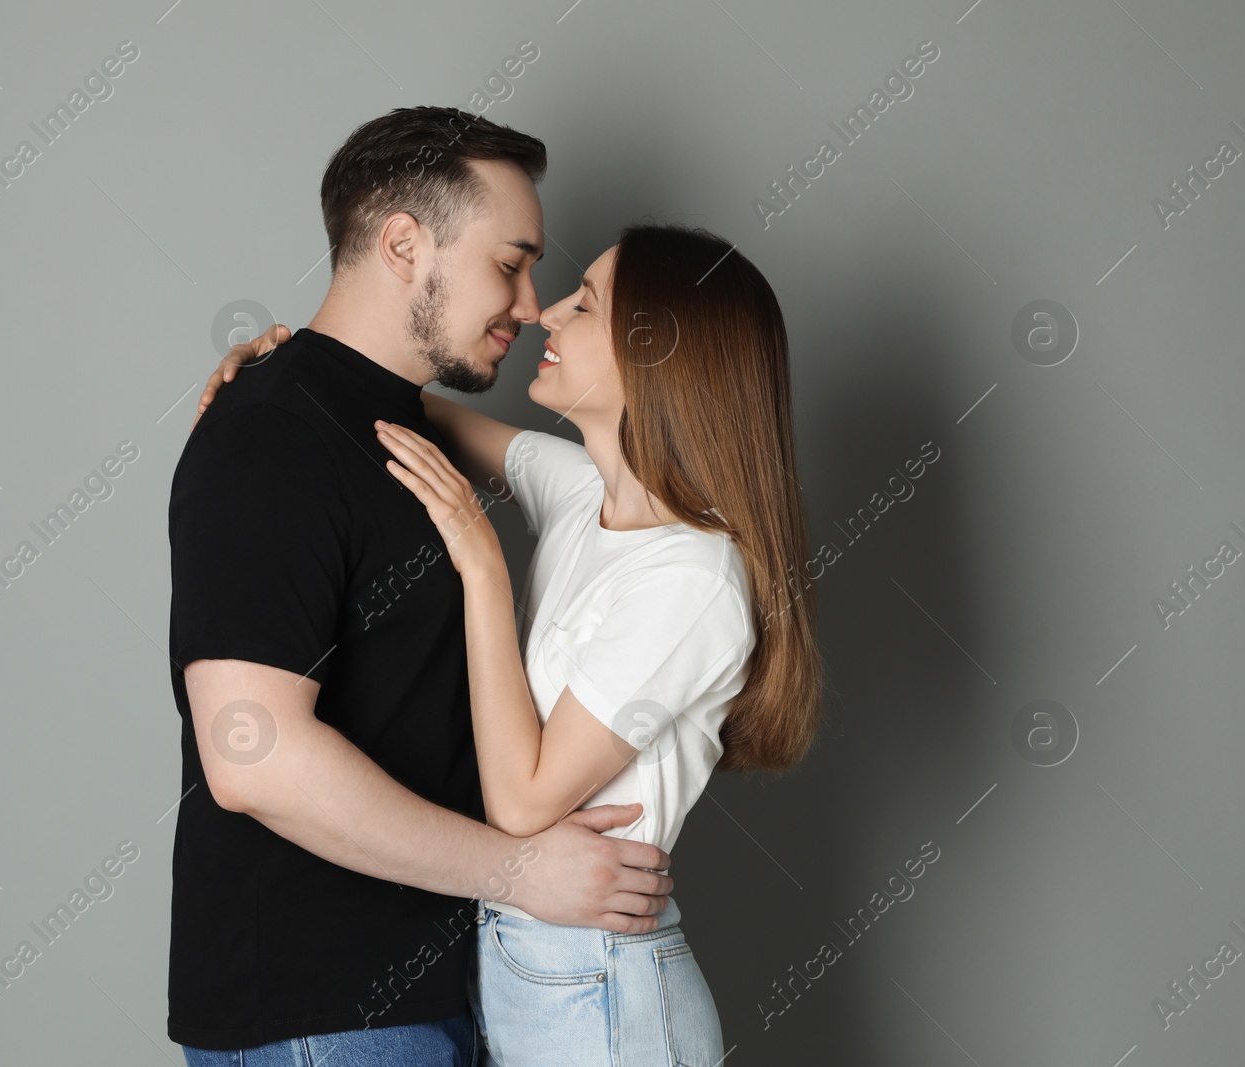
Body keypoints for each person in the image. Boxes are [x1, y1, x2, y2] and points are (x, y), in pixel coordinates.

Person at [199, 225, 825, 1066]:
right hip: (525, 967)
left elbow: (525, 804)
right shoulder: (580, 493)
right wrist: (288, 366)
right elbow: (392, 408)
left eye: (585, 302)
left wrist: (484, 568)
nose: (547, 315)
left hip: (602, 991)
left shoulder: (695, 577)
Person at [167, 106, 680, 1067]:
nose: (530, 305)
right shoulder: (271, 438)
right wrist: (523, 870)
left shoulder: (384, 423)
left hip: (441, 991)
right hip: (323, 1015)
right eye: (510, 262)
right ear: (404, 243)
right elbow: (253, 757)